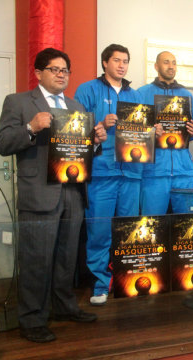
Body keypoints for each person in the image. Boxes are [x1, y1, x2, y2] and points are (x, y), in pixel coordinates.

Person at [0, 48, 105, 342]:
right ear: (38, 73)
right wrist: (31, 127)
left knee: (66, 257)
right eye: (55, 69)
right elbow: (3, 143)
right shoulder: (18, 102)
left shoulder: (77, 106)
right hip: (39, 193)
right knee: (36, 258)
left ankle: (64, 306)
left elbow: (81, 153)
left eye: (65, 70)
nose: (61, 75)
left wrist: (95, 143)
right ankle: (32, 319)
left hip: (72, 191)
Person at [75, 44, 142, 305]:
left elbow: (141, 132)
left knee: (128, 232)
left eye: (125, 61)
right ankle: (101, 285)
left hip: (132, 173)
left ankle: (126, 282)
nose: (122, 65)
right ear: (105, 63)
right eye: (116, 60)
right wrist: (101, 124)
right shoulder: (87, 90)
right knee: (100, 232)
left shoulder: (135, 94)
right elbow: (74, 130)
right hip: (102, 173)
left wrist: (152, 131)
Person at [137, 51, 193, 215]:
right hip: (154, 172)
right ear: (156, 66)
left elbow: (187, 133)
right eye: (166, 62)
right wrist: (150, 132)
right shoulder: (142, 93)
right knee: (151, 226)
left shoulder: (186, 95)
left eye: (173, 62)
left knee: (187, 225)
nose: (171, 66)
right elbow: (132, 132)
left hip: (183, 171)